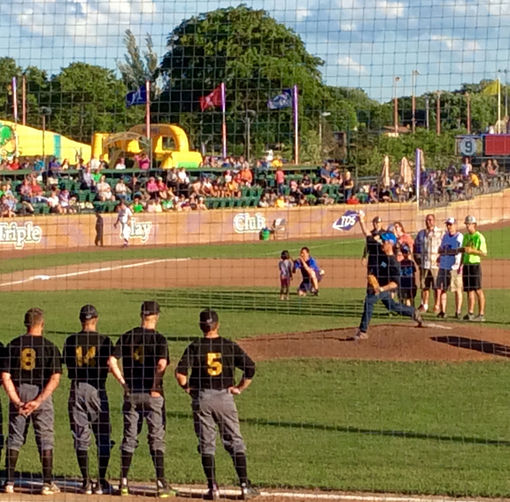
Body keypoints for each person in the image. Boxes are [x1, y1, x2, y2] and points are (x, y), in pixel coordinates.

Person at [175, 310, 259, 501]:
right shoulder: (228, 345)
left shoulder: (195, 346)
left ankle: (213, 488)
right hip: (224, 398)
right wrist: (239, 388)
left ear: (200, 326)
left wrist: (188, 389)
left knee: (207, 443)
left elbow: (180, 374)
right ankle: (245, 486)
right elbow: (250, 368)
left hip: (203, 398)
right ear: (217, 325)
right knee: (235, 440)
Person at [108, 301, 175, 498]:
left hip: (132, 394)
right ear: (157, 316)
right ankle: (161, 483)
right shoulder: (159, 339)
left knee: (129, 437)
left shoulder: (128, 335)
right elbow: (162, 364)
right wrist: (155, 386)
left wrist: (123, 383)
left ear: (141, 315)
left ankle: (123, 482)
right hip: (153, 395)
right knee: (156, 438)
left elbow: (112, 361)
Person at [1, 308, 62, 495]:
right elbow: (55, 378)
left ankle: (9, 481)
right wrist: (39, 400)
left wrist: (17, 401)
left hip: (19, 391)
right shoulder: (50, 346)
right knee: (45, 438)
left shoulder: (13, 345)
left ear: (25, 323)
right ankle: (47, 483)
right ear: (42, 324)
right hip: (40, 393)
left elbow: (5, 376)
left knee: (15, 437)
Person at [63, 305, 114, 495]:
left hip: (76, 388)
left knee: (80, 435)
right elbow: (111, 365)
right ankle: (101, 482)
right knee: (103, 435)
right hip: (97, 389)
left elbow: (68, 364)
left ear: (80, 320)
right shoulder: (105, 341)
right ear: (96, 319)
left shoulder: (70, 340)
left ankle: (85, 482)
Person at [356, 213, 422, 339]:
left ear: (391, 245)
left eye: (385, 241)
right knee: (392, 306)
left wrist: (381, 289)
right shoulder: (378, 248)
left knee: (369, 301)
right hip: (376, 284)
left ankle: (363, 331)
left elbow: (395, 284)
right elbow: (368, 234)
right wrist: (361, 220)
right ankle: (413, 312)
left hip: (385, 286)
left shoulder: (394, 263)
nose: (383, 242)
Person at [413, 214, 444, 313]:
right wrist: (417, 260)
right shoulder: (421, 234)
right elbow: (415, 247)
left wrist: (441, 258)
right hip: (424, 264)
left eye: (430, 220)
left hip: (436, 264)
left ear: (434, 221)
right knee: (424, 286)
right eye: (427, 220)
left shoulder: (440, 232)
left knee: (437, 286)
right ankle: (424, 305)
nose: (428, 222)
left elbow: (444, 247)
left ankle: (437, 305)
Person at [436, 218, 464, 318]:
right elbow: (440, 249)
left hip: (454, 267)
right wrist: (444, 252)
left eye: (450, 224)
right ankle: (443, 311)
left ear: (455, 225)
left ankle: (458, 311)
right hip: (443, 265)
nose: (449, 226)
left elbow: (457, 251)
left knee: (457, 289)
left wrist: (446, 251)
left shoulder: (459, 236)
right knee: (443, 288)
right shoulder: (445, 236)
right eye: (447, 224)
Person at [461, 215, 487, 321]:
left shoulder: (479, 237)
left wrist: (472, 251)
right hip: (466, 265)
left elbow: (484, 253)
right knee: (469, 290)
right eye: (466, 224)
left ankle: (481, 314)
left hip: (475, 265)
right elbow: (463, 250)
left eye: (469, 224)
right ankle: (470, 312)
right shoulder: (466, 236)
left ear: (474, 225)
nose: (467, 226)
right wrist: (461, 263)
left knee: (478, 289)